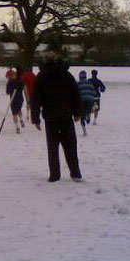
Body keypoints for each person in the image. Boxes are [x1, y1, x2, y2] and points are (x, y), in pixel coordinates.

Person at [31, 53, 83, 182]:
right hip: (66, 115)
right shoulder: (66, 75)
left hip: (50, 117)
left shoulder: (41, 77)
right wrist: (78, 112)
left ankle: (55, 174)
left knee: (53, 148)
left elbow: (36, 99)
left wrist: (36, 118)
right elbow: (75, 94)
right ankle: (75, 173)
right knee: (70, 146)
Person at [5, 66, 27, 133]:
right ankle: (21, 119)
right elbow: (25, 90)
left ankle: (17, 127)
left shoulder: (10, 81)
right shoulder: (22, 81)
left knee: (14, 113)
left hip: (13, 98)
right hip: (20, 98)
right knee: (19, 109)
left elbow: (7, 92)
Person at [77, 71, 97, 136]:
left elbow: (75, 93)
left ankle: (84, 131)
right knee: (87, 111)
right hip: (89, 100)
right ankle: (88, 114)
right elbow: (94, 92)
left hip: (81, 101)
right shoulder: (89, 83)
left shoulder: (78, 84)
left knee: (82, 116)